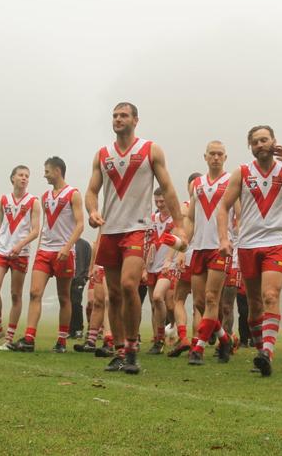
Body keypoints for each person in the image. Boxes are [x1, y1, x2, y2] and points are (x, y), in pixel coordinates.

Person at [86, 102, 186, 375]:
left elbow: (167, 188)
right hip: (110, 230)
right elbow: (92, 191)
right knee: (113, 295)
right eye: (115, 116)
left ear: (136, 120)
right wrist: (93, 211)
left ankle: (131, 350)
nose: (118, 119)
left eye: (124, 115)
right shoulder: (102, 155)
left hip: (137, 228)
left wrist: (179, 225)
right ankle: (119, 351)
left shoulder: (150, 149)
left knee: (129, 285)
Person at [217, 125, 282, 376]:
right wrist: (224, 238)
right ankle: (260, 350)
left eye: (265, 140)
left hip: (275, 242)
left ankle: (267, 353)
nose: (260, 145)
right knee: (254, 305)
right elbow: (223, 207)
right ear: (250, 147)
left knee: (270, 296)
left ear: (274, 142)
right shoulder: (242, 172)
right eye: (255, 142)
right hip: (247, 245)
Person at [11, 157, 84, 353]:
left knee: (63, 297)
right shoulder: (44, 197)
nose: (44, 175)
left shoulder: (74, 194)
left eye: (47, 171)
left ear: (58, 171)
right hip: (44, 251)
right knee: (35, 293)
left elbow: (80, 225)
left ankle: (61, 341)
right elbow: (44, 225)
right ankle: (29, 338)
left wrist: (67, 248)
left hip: (64, 252)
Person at [0, 165, 41, 350]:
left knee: (16, 294)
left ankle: (9, 338)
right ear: (12, 178)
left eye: (27, 176)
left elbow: (36, 230)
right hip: (0, 250)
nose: (24, 178)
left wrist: (20, 245)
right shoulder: (3, 200)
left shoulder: (33, 202)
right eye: (21, 175)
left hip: (20, 253)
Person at [186, 141, 236, 365]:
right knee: (198, 302)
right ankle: (224, 339)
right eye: (212, 154)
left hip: (220, 248)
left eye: (220, 154)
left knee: (211, 297)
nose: (216, 158)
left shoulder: (232, 180)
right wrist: (184, 242)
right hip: (198, 247)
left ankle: (198, 348)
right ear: (205, 157)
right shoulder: (196, 183)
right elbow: (190, 216)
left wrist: (234, 241)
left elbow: (241, 215)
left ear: (225, 158)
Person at [168, 173, 203, 357]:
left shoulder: (186, 207)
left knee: (179, 299)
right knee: (200, 304)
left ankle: (184, 338)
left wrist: (174, 255)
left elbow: (180, 234)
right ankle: (197, 342)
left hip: (188, 255)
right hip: (204, 255)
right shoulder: (210, 207)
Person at [144, 188, 177, 354]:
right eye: (156, 201)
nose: (159, 204)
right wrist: (144, 266)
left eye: (162, 201)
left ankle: (174, 330)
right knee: (154, 304)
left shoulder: (177, 219)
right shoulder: (151, 219)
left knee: (163, 300)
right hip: (151, 267)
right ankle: (158, 340)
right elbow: (145, 242)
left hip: (169, 266)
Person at [69, 237, 92, 338]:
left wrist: (85, 277)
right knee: (67, 303)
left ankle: (78, 329)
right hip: (67, 277)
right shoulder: (66, 242)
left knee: (76, 302)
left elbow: (89, 261)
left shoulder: (85, 244)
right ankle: (69, 329)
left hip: (79, 278)